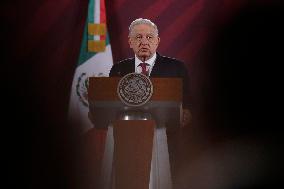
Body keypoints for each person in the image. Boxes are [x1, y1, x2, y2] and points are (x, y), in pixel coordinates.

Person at [109, 18, 191, 127]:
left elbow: (189, 100)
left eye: (149, 37)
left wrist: (188, 112)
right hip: (128, 132)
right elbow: (110, 103)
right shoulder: (118, 69)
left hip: (166, 133)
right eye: (138, 37)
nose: (144, 42)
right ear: (130, 42)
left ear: (157, 41)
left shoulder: (176, 68)